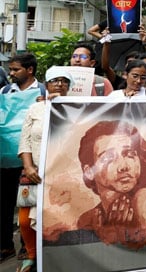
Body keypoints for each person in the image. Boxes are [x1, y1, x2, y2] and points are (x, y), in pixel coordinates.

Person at [16, 67, 73, 272]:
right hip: (35, 172)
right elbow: (25, 140)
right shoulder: (35, 109)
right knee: (24, 220)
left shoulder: (76, 108)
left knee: (58, 219)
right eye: (54, 80)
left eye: (64, 81)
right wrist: (28, 166)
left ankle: (55, 257)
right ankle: (31, 255)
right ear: (46, 84)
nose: (59, 84)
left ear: (70, 86)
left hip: (62, 173)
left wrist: (60, 106)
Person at [1, 53, 45, 263]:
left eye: (15, 69)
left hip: (34, 159)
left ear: (30, 70)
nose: (11, 73)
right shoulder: (5, 91)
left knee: (29, 206)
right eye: (10, 69)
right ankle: (6, 244)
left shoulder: (44, 91)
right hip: (8, 156)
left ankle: (27, 248)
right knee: (5, 203)